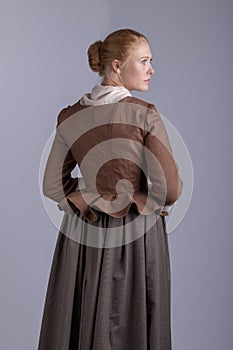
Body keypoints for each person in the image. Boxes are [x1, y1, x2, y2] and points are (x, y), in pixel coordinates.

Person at [38, 28, 183, 350]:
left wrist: (89, 194)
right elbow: (170, 189)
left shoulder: (69, 116)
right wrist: (138, 197)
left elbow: (52, 184)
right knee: (133, 318)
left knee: (81, 311)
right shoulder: (144, 114)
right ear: (117, 65)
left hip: (82, 232)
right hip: (136, 231)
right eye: (144, 61)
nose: (151, 69)